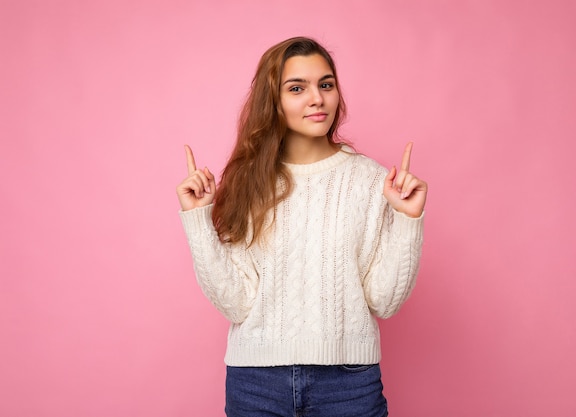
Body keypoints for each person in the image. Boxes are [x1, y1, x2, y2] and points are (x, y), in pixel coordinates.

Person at [176, 36, 427, 417]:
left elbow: (384, 302)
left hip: (350, 384)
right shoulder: (247, 182)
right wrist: (198, 219)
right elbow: (236, 302)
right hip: (256, 383)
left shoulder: (373, 182)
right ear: (272, 102)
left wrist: (408, 220)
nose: (317, 99)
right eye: (297, 88)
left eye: (326, 84)